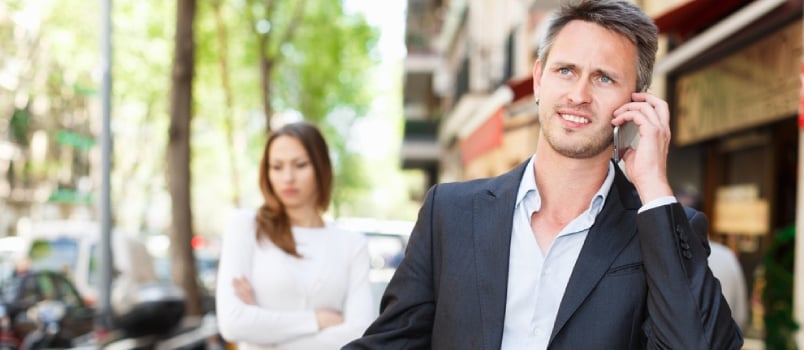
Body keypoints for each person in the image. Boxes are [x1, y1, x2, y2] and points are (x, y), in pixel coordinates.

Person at [344, 1, 743, 349]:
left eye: (604, 78)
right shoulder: (448, 213)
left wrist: (653, 185)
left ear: (635, 100)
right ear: (538, 79)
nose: (579, 94)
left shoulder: (663, 230)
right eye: (566, 70)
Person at [216, 121, 375, 349]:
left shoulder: (352, 244)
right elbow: (232, 324)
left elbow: (360, 334)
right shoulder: (246, 227)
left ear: (321, 167)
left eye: (300, 165)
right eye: (277, 167)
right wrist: (316, 320)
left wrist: (263, 333)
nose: (287, 178)